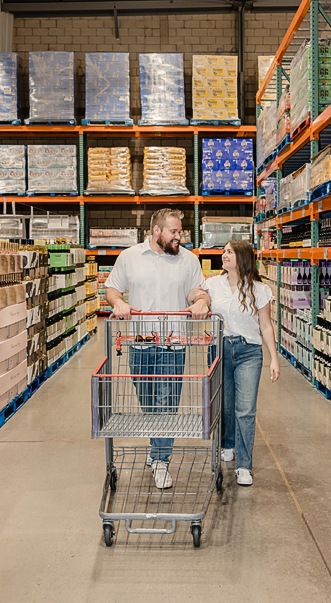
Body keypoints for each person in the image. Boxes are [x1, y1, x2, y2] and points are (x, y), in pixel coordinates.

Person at [104, 208, 211, 489]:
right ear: (156, 231)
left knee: (167, 403)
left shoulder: (188, 259)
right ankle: (157, 447)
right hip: (140, 344)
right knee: (148, 402)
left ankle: (162, 460)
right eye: (174, 231)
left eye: (180, 231)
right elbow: (112, 289)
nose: (179, 236)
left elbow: (196, 291)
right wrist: (118, 303)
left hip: (173, 343)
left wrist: (201, 301)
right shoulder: (129, 258)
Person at [193, 239, 279, 487]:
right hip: (219, 349)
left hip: (249, 351)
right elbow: (199, 298)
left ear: (242, 257)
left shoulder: (259, 290)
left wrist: (274, 358)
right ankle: (227, 444)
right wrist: (199, 301)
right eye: (223, 252)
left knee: (246, 409)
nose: (224, 255)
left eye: (229, 252)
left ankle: (244, 465)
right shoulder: (212, 284)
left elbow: (265, 325)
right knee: (225, 405)